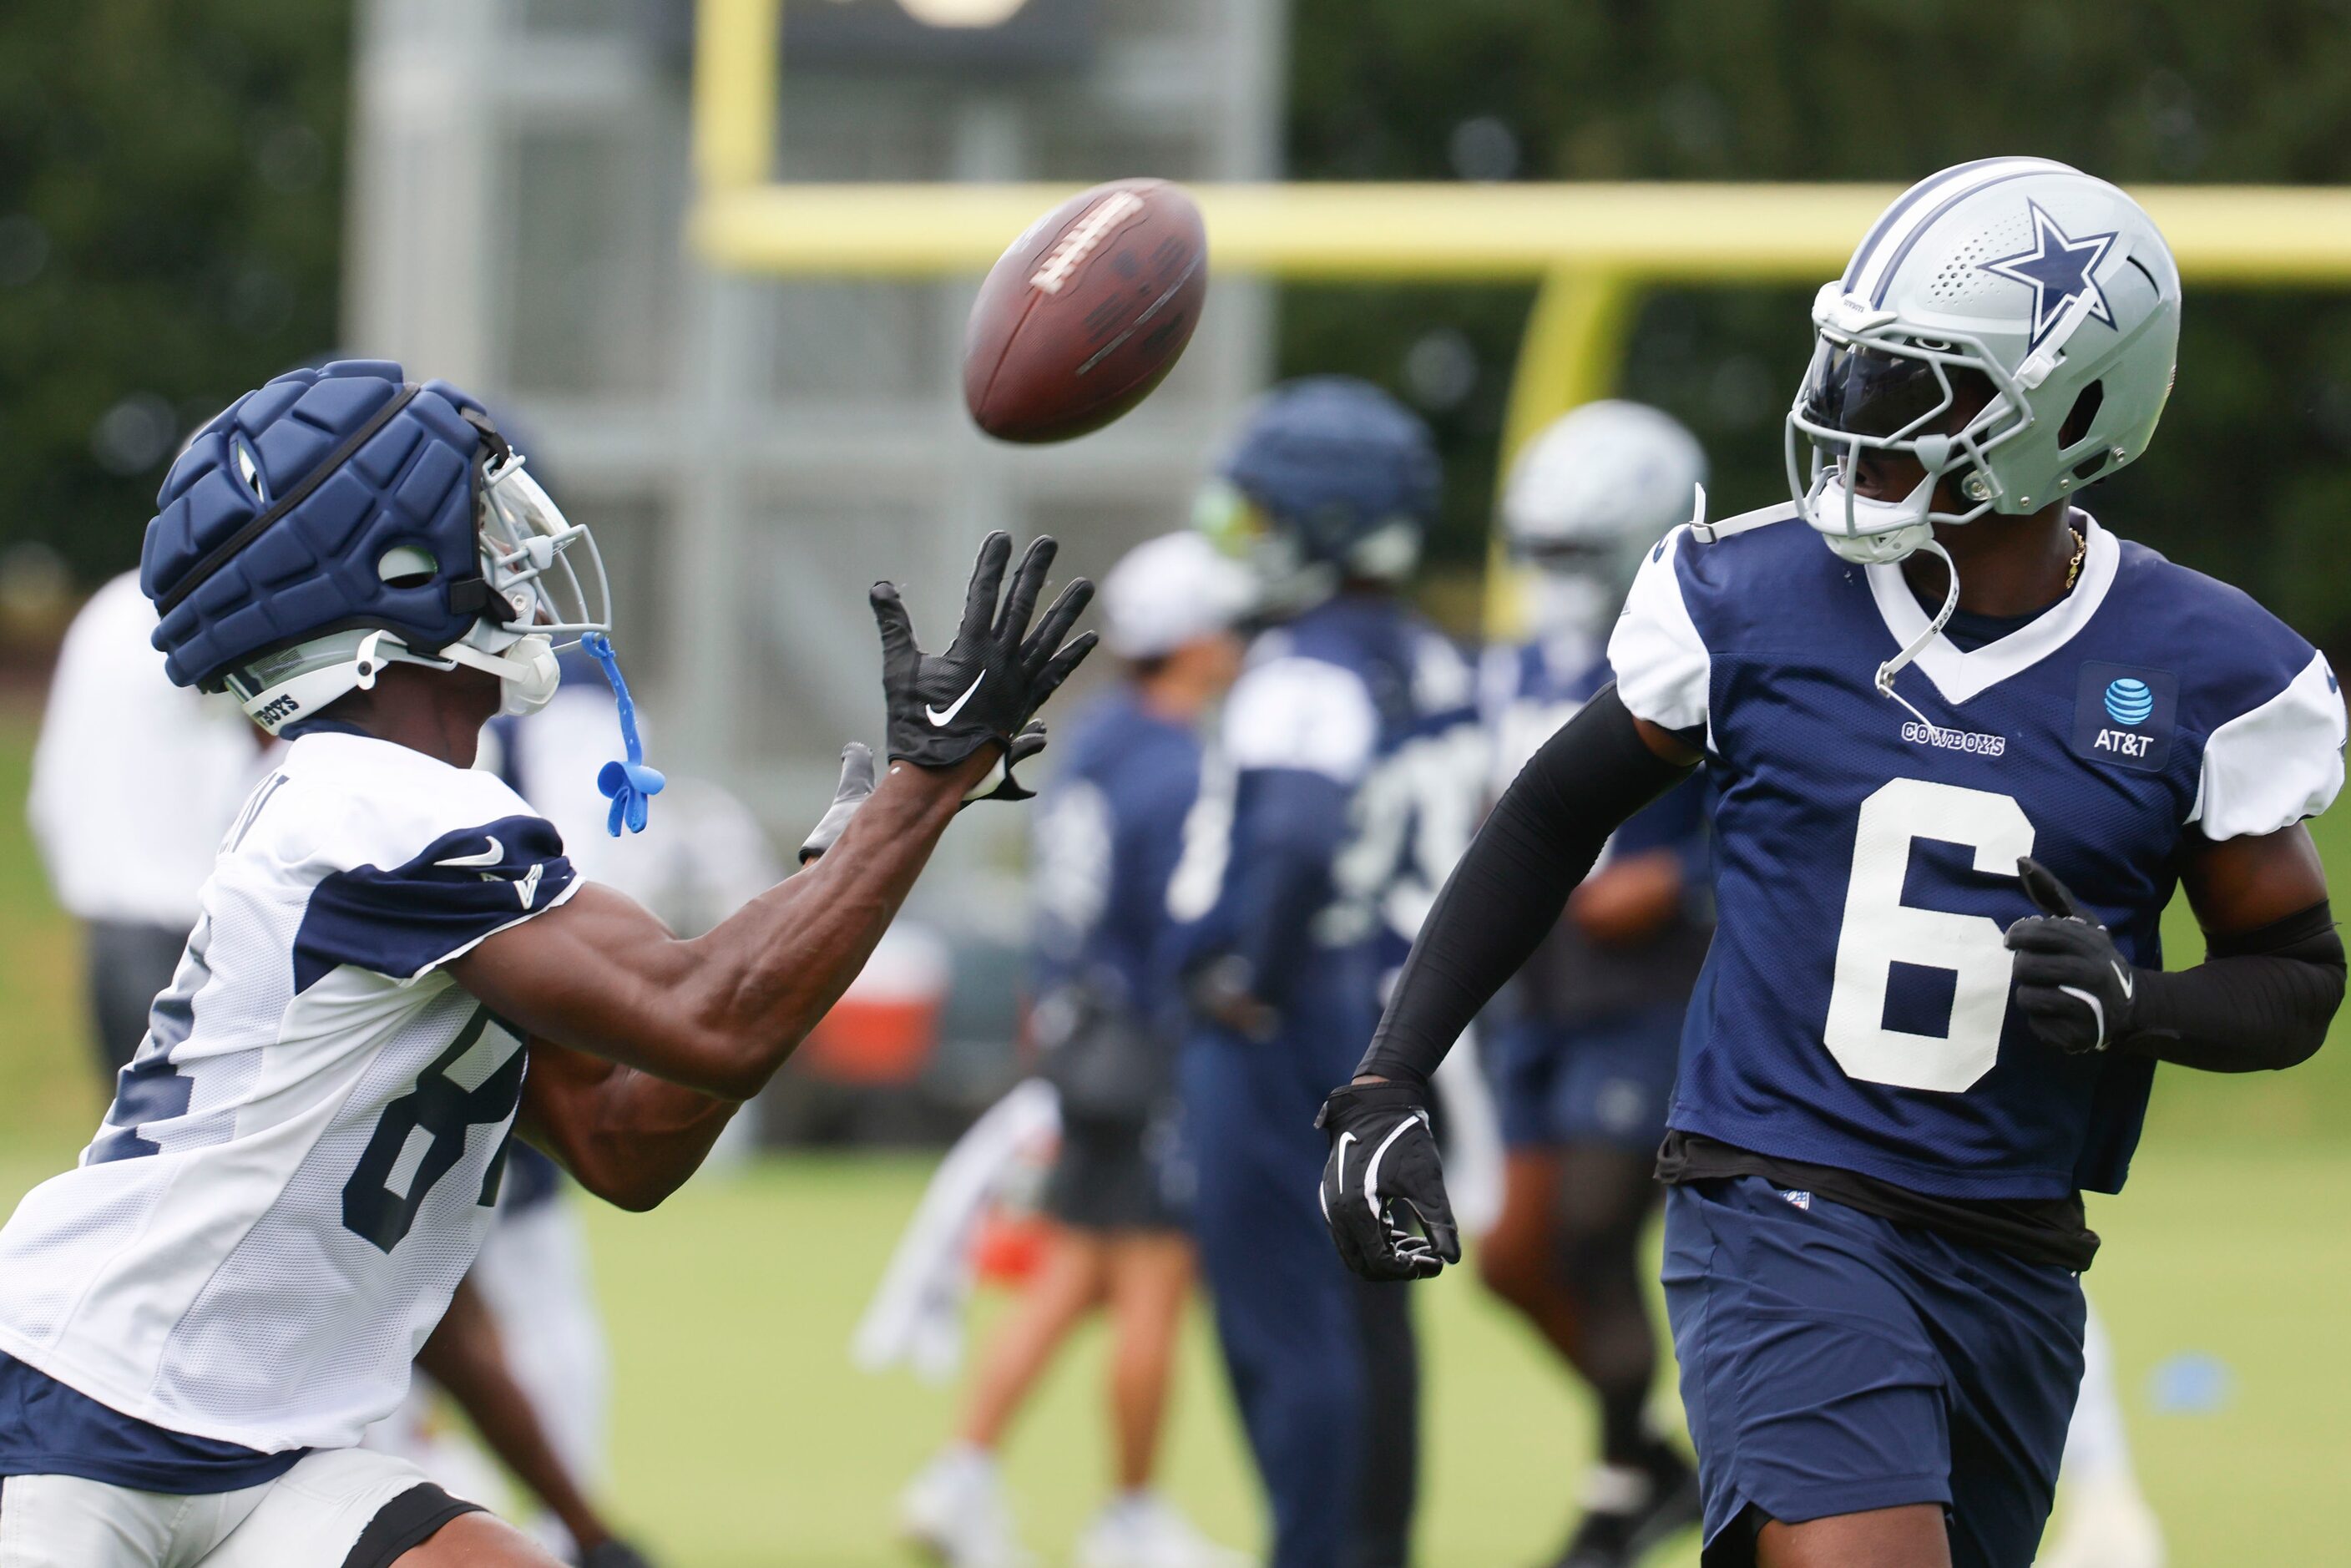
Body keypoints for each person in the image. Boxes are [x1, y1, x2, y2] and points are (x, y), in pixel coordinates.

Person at [1314, 159, 2346, 1568]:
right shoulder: (1750, 596)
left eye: (1917, 384)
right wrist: (1387, 1076)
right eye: (1855, 370)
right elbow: (1548, 817)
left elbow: (2294, 976)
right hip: (1774, 1200)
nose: (1855, 421)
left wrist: (2138, 1004)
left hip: (2014, 1255)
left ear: (2071, 409)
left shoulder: (2201, 666)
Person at [0, 359, 1095, 1566]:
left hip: (266, 1447)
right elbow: (705, 1018)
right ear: (389, 576)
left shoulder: (396, 808)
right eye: (477, 521)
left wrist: (851, 860)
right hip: (72, 1420)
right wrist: (917, 793)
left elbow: (628, 1138)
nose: (516, 550)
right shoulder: (368, 808)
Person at [900, 531, 1254, 1568]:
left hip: (1076, 1035)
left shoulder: (1096, 742)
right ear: (1189, 641)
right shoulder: (1177, 763)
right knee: (1153, 1282)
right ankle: (1130, 1518)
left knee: (1074, 1272)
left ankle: (958, 1474)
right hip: (1143, 1046)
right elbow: (1184, 926)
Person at [1171, 377, 1476, 1568]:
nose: (1242, 539)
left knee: (1284, 1326)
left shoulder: (1302, 670)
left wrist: (1250, 964)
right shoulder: (1435, 662)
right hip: (1401, 1021)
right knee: (1372, 1316)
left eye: (1263, 512)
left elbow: (1297, 836)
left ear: (1325, 520)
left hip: (1287, 1025)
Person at [1474, 402, 1710, 1568]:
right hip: (1538, 985)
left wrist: (1677, 874)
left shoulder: (1708, 651)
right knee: (1515, 1251)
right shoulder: (1510, 658)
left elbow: (1789, 803)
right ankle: (1657, 1462)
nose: (1554, 578)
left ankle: (1624, 1486)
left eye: (1577, 552)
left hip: (1653, 986)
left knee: (1592, 1226)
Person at [28, 569, 265, 1078]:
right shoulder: (224, 599)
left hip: (109, 932)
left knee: (133, 1145)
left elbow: (50, 792)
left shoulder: (109, 606)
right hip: (192, 935)